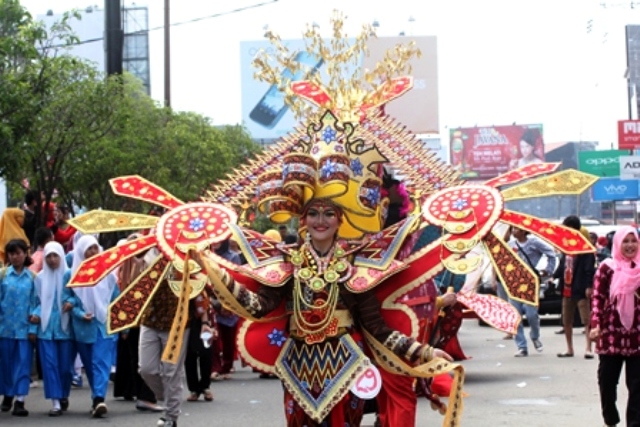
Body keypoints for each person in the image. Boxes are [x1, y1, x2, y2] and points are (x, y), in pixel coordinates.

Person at [191, 198, 456, 426]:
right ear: (303, 219)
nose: (321, 220)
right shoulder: (287, 262)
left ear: (340, 220)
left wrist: (424, 352)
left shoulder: (355, 266)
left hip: (346, 364)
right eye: (313, 213)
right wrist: (214, 272)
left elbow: (377, 328)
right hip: (298, 368)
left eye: (329, 213)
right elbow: (258, 307)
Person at [138, 247, 213, 427]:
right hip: (149, 320)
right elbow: (136, 287)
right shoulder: (147, 257)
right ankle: (167, 396)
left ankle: (171, 416)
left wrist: (204, 322)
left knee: (172, 372)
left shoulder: (185, 259)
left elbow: (199, 291)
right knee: (146, 369)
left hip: (177, 325)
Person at [63, 235, 119, 418]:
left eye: (95, 248)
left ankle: (99, 399)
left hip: (103, 324)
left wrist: (122, 325)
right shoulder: (71, 274)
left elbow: (115, 297)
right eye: (89, 249)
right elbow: (67, 298)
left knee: (100, 362)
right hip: (83, 327)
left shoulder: (108, 273)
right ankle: (97, 396)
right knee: (89, 363)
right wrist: (79, 313)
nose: (93, 252)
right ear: (81, 251)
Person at [590, 226, 640, 427]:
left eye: (633, 241)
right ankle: (610, 419)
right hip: (611, 334)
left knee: (637, 387)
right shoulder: (607, 267)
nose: (630, 245)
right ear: (618, 243)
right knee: (607, 383)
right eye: (625, 241)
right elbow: (597, 298)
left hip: (637, 336)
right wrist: (595, 325)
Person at [112, 234, 163, 412]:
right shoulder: (141, 263)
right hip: (142, 318)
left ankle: (143, 394)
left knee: (140, 358)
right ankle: (146, 396)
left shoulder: (137, 262)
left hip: (137, 318)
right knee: (145, 358)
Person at [31, 241, 73, 416]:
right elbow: (35, 302)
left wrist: (72, 303)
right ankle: (55, 401)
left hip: (66, 330)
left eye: (56, 255)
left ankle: (63, 394)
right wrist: (35, 315)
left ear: (62, 256)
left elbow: (77, 298)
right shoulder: (39, 278)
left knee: (65, 367)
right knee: (49, 366)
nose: (52, 260)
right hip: (45, 329)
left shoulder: (70, 276)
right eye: (49, 256)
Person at [508, 226, 557, 357]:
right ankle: (521, 346)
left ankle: (535, 336)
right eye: (512, 230)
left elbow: (551, 253)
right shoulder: (510, 245)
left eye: (516, 230)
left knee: (531, 315)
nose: (513, 232)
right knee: (515, 316)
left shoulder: (534, 243)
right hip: (514, 284)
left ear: (524, 231)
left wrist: (548, 270)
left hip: (530, 283)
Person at [0, 239, 36, 416]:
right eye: (11, 253)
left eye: (18, 253)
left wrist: (33, 328)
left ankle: (20, 401)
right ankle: (8, 395)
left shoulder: (32, 278)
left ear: (25, 254)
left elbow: (36, 303)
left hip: (24, 330)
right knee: (5, 365)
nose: (15, 257)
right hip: (4, 329)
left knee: (23, 365)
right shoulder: (3, 275)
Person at [553, 216, 596, 358]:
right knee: (567, 320)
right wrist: (553, 276)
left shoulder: (585, 247)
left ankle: (588, 348)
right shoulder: (566, 246)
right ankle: (569, 348)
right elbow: (563, 265)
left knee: (587, 320)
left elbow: (589, 269)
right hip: (567, 289)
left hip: (581, 288)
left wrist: (589, 286)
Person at [209, 239, 242, 382]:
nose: (217, 243)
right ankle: (215, 368)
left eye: (220, 241)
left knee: (228, 336)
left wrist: (229, 302)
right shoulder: (208, 255)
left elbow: (237, 279)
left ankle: (227, 366)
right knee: (213, 338)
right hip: (210, 298)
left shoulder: (233, 257)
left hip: (229, 299)